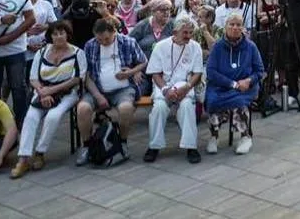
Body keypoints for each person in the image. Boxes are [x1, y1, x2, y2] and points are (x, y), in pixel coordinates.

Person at [11, 21, 86, 178]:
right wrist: (43, 93)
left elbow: (77, 79)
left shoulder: (78, 53)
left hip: (67, 93)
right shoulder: (41, 52)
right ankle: (23, 159)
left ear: (68, 34)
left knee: (53, 116)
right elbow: (33, 78)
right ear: (50, 36)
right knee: (30, 117)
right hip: (43, 91)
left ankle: (40, 152)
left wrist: (52, 91)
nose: (59, 36)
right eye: (55, 33)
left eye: (62, 33)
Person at [75, 17, 147, 166]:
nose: (103, 42)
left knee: (126, 108)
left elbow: (143, 62)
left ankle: (122, 142)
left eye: (106, 39)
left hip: (123, 88)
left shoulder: (128, 42)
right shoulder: (90, 45)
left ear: (114, 32)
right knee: (82, 108)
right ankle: (87, 145)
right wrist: (98, 96)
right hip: (98, 88)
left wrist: (130, 72)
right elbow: (86, 75)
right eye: (99, 39)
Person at [144, 16, 203, 164]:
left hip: (185, 84)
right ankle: (154, 146)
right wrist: (165, 89)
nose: (188, 36)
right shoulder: (160, 46)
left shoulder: (195, 46)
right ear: (175, 32)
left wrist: (187, 87)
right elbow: (155, 73)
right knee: (159, 108)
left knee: (187, 107)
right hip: (163, 84)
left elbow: (197, 73)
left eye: (191, 33)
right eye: (185, 33)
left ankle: (191, 147)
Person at [204, 13, 264, 155]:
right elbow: (211, 71)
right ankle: (214, 136)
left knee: (238, 101)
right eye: (231, 24)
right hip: (222, 85)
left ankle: (245, 137)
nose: (235, 27)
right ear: (225, 27)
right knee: (212, 100)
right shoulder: (218, 46)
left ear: (243, 28)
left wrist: (248, 81)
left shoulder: (251, 46)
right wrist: (232, 84)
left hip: (245, 87)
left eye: (238, 25)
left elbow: (259, 70)